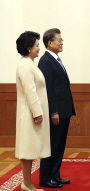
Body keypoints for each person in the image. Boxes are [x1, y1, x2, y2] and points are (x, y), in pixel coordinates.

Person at [38, 28, 76, 188]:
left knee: (60, 145)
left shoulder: (56, 59)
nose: (62, 43)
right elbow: (48, 89)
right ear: (50, 42)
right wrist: (53, 111)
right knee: (52, 145)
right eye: (59, 40)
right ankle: (46, 178)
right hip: (56, 112)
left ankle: (55, 175)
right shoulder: (45, 61)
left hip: (64, 110)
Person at [16, 31, 50, 191]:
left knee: (30, 148)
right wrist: (37, 113)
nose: (39, 48)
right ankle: (27, 183)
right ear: (29, 48)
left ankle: (28, 182)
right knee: (27, 148)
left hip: (33, 113)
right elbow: (30, 91)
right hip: (29, 114)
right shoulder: (25, 65)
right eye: (37, 45)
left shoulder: (29, 64)